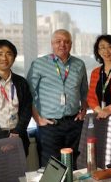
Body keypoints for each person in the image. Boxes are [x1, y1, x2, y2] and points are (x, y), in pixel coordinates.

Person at [27, 29, 88, 167]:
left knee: (73, 164)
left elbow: (84, 91)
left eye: (66, 41)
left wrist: (83, 110)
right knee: (51, 165)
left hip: (74, 123)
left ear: (71, 44)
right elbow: (29, 93)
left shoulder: (79, 64)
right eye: (58, 41)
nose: (62, 45)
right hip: (50, 125)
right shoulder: (39, 64)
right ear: (52, 44)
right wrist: (37, 118)